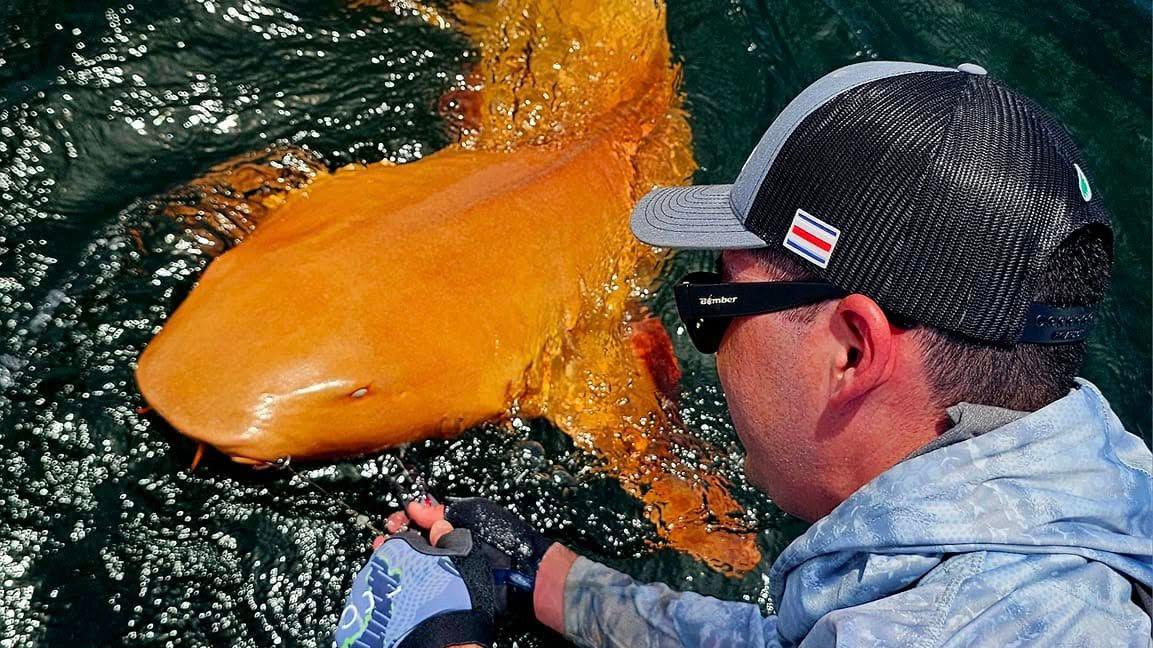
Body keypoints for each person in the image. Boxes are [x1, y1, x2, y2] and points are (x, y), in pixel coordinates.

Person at [333, 61, 1153, 648]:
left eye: (713, 304)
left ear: (850, 348)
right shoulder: (1096, 494)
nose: (706, 344)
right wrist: (539, 576)